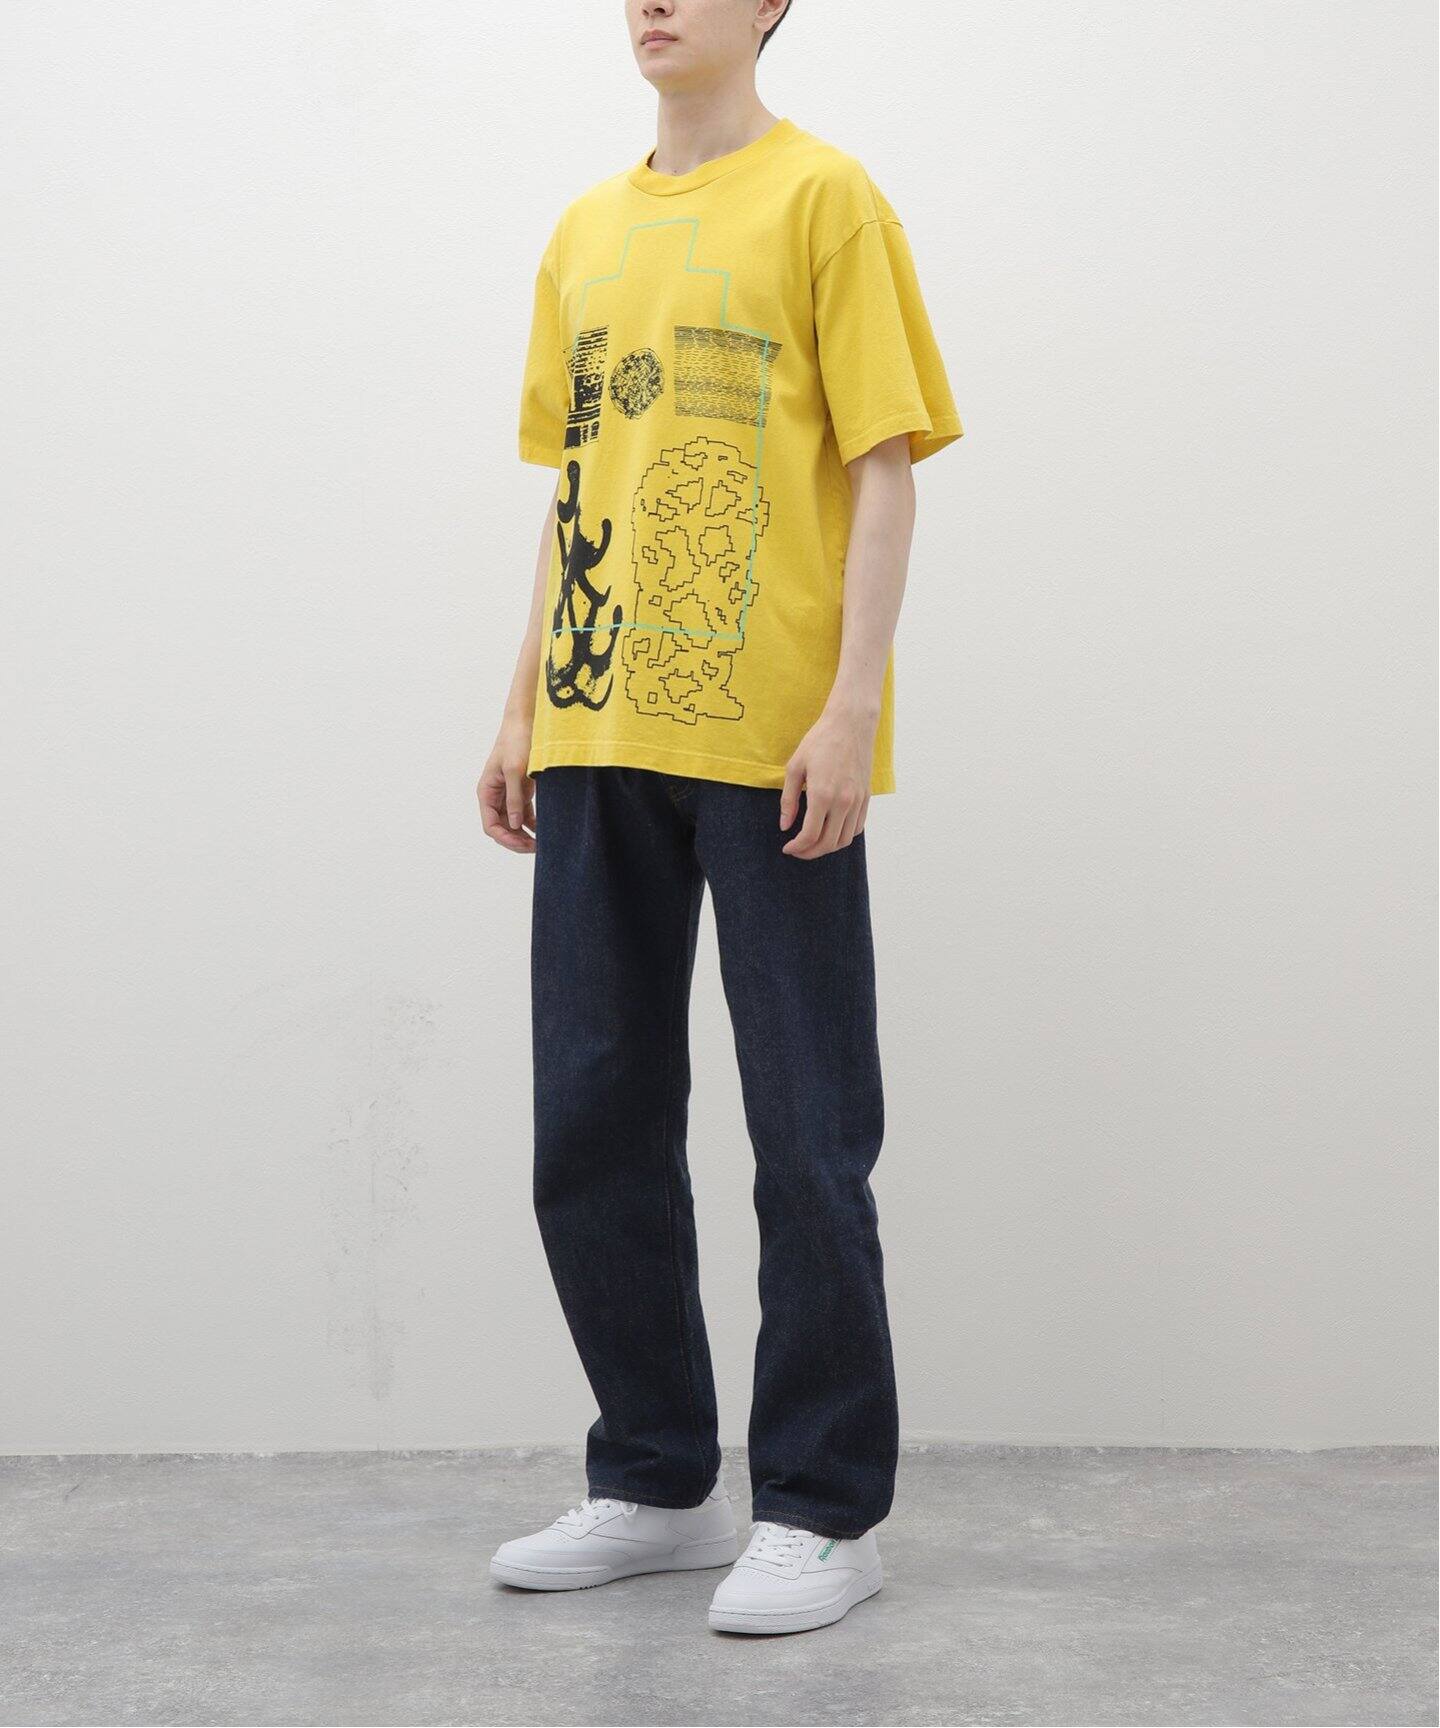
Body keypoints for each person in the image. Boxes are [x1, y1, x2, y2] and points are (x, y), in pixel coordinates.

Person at [477, 0, 962, 1636]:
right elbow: (577, 485)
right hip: (596, 722)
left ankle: (823, 1510)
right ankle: (657, 1480)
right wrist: (521, 704)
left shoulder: (828, 200)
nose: (653, 0)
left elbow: (886, 466)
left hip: (772, 745)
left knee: (808, 1132)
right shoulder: (584, 231)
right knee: (590, 1118)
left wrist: (852, 707)